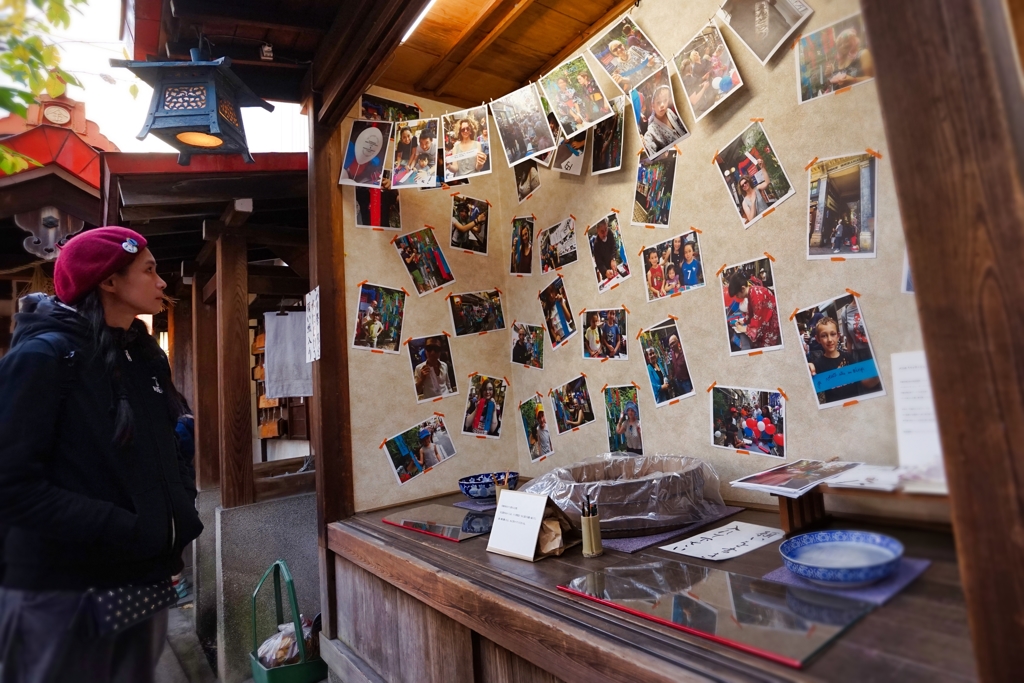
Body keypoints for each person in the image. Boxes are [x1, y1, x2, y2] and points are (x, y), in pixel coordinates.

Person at [0, 227, 202, 683]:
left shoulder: (144, 357)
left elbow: (168, 447)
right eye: (149, 270)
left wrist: (179, 504)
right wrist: (128, 528)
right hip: (66, 589)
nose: (162, 282)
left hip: (141, 579)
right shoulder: (43, 357)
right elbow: (12, 488)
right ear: (109, 281)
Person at [728, 270, 781, 350]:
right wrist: (744, 321)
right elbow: (752, 313)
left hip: (770, 326)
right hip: (767, 323)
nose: (737, 297)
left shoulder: (756, 296)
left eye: (737, 294)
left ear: (742, 289)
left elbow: (758, 321)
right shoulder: (753, 292)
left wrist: (744, 329)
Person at [642, 85, 687, 157]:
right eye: (658, 102)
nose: (662, 105)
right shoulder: (652, 128)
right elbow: (649, 142)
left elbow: (681, 125)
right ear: (653, 105)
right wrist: (644, 145)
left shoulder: (669, 112)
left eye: (665, 100)